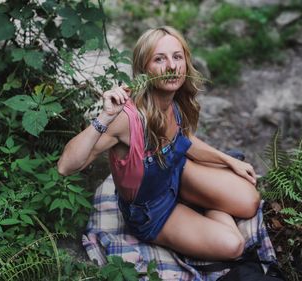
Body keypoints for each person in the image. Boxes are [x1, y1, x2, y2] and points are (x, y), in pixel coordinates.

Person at [58, 26, 260, 261]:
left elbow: (184, 139)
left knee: (250, 202)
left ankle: (196, 202)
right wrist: (104, 117)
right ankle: (198, 208)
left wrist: (229, 160)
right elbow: (66, 166)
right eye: (159, 59)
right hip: (153, 211)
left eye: (177, 57)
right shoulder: (126, 118)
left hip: (176, 175)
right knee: (233, 245)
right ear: (144, 68)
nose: (172, 67)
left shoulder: (175, 99)